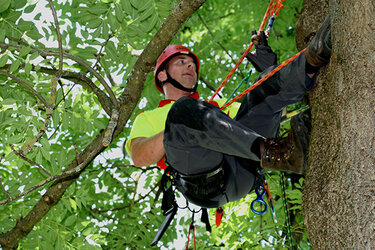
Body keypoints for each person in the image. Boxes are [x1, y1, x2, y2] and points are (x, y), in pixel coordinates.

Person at [125, 16, 331, 208]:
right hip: (205, 181)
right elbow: (139, 157)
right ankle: (273, 152)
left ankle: (312, 61)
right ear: (162, 75)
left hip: (244, 168)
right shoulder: (149, 117)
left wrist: (270, 71)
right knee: (183, 109)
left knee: (263, 87)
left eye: (192, 65)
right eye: (181, 62)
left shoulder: (216, 106)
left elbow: (273, 112)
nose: (190, 66)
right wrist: (179, 128)